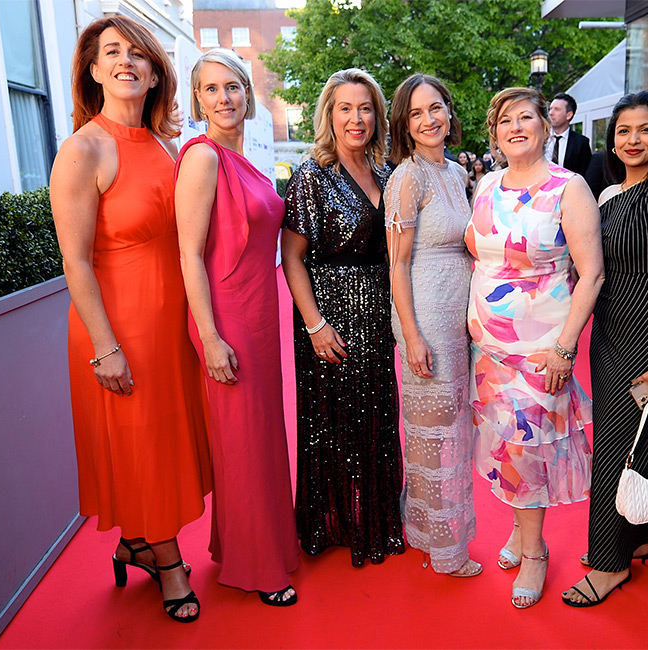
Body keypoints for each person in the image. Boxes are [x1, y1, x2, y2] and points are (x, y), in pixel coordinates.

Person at [49, 15, 211, 622]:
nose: (126, 61)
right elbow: (75, 261)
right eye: (112, 53)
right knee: (142, 444)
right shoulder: (83, 149)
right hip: (119, 328)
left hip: (171, 327)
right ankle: (169, 563)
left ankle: (138, 543)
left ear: (155, 72)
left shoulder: (168, 146)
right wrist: (105, 346)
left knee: (164, 444)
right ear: (93, 71)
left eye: (138, 53)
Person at [466, 87, 604, 608]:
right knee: (505, 447)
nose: (516, 127)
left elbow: (592, 274)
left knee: (528, 449)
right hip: (488, 351)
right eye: (505, 120)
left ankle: (535, 553)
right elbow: (481, 257)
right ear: (495, 133)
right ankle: (519, 530)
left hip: (542, 351)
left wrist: (566, 349)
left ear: (547, 126)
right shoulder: (486, 184)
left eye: (526, 117)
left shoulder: (569, 188)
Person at [561, 91, 648, 607]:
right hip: (608, 336)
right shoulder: (608, 195)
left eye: (645, 130)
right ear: (612, 140)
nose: (633, 140)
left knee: (616, 450)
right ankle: (635, 538)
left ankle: (608, 564)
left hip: (645, 339)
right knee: (628, 444)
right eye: (623, 131)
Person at [174, 48, 299, 607]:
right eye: (211, 89)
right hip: (227, 318)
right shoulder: (202, 158)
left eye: (233, 87)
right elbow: (188, 255)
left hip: (259, 311)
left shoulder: (241, 156)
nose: (224, 98)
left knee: (259, 438)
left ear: (248, 95)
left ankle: (251, 544)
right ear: (197, 100)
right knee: (244, 441)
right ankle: (258, 567)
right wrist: (210, 337)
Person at [282, 68, 405, 567]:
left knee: (376, 417)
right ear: (329, 116)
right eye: (345, 108)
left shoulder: (388, 174)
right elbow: (292, 257)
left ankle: (375, 520)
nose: (356, 119)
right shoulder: (311, 176)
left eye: (365, 108)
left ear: (377, 116)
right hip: (328, 316)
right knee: (332, 423)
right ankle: (334, 523)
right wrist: (314, 324)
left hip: (377, 315)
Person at [384, 73, 480, 577]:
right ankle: (444, 549)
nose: (428, 120)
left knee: (453, 431)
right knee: (434, 434)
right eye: (416, 113)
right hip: (426, 317)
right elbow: (397, 264)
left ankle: (428, 530)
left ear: (448, 110)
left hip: (459, 315)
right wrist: (412, 334)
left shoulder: (456, 172)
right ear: (404, 123)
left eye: (435, 107)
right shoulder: (407, 177)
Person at [547, 93, 592, 176]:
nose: (550, 113)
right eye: (550, 109)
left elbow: (585, 174)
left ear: (569, 115)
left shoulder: (581, 143)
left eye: (556, 109)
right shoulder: (540, 138)